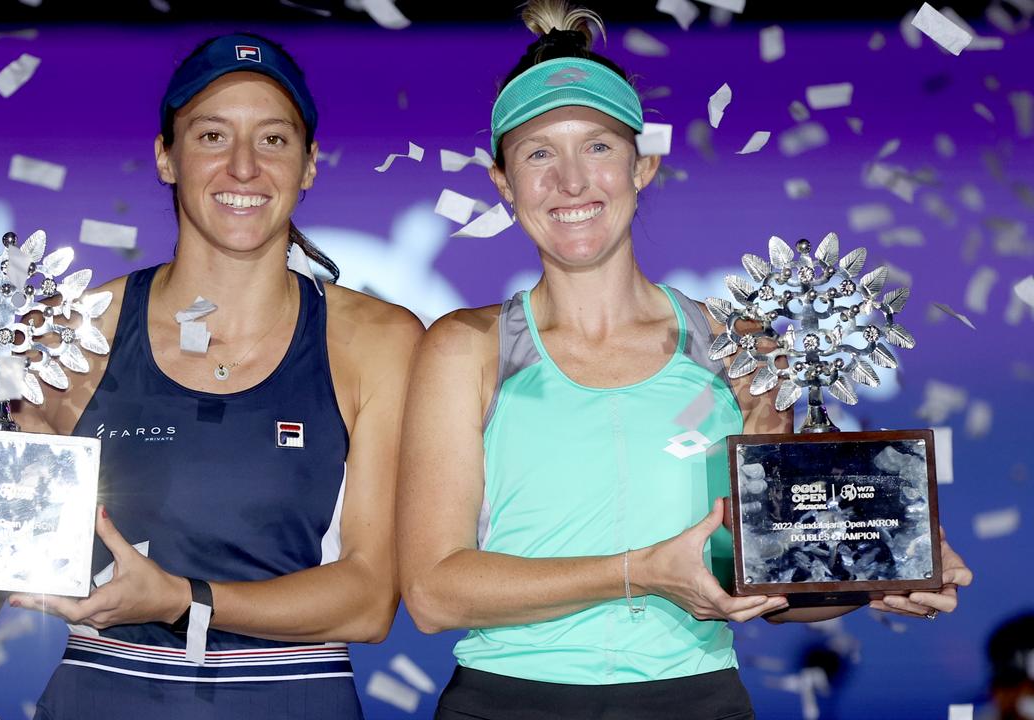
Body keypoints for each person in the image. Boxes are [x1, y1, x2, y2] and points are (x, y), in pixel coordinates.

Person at [395, 3, 973, 718]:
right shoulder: (465, 347)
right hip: (507, 701)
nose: (571, 182)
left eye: (599, 147)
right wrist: (640, 573)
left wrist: (876, 566)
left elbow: (769, 583)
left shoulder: (738, 348)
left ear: (644, 166)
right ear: (503, 184)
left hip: (697, 702)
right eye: (539, 153)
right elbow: (432, 593)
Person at [0, 32, 422, 719]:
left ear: (309, 165)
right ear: (165, 156)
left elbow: (369, 599)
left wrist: (183, 600)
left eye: (273, 139)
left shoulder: (379, 342)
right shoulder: (71, 334)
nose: (243, 167)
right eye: (211, 136)